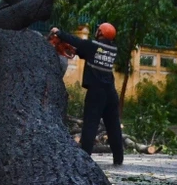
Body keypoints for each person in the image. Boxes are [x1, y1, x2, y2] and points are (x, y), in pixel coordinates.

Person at [50, 23, 123, 165]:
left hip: (96, 92)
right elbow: (84, 51)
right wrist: (74, 51)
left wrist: (59, 32)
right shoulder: (112, 49)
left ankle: (84, 159)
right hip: (111, 94)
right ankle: (118, 159)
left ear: (100, 32)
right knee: (113, 127)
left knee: (90, 125)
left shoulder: (93, 46)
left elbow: (78, 42)